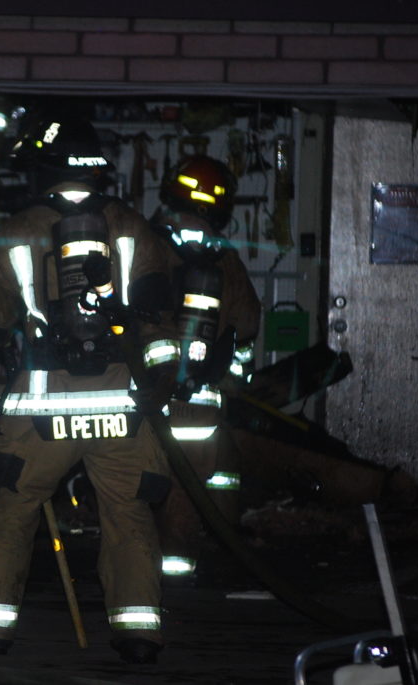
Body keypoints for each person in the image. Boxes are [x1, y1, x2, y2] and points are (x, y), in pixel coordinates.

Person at [0, 112, 176, 665]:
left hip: (43, 406)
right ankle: (139, 633)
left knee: (15, 509)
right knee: (128, 514)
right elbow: (161, 313)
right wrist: (159, 380)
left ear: (43, 168)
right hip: (121, 405)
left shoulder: (19, 229)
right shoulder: (131, 226)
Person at [144, 155, 262, 582]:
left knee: (133, 494)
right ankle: (180, 583)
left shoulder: (145, 243)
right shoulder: (224, 258)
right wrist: (235, 380)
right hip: (199, 407)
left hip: (143, 400)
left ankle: (134, 581)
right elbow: (247, 324)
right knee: (188, 492)